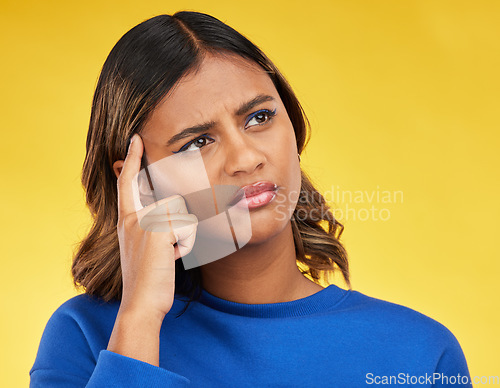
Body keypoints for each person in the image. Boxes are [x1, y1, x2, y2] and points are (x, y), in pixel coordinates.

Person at [30, 11, 472, 387]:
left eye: (259, 117)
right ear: (138, 182)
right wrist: (141, 319)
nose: (245, 158)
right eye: (196, 142)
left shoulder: (419, 354)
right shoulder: (87, 337)